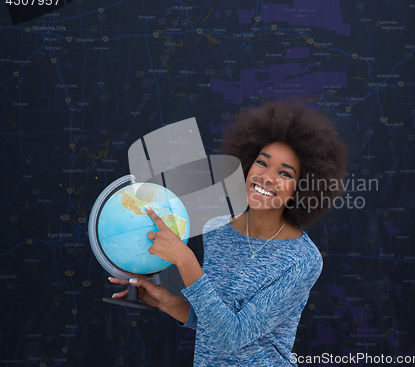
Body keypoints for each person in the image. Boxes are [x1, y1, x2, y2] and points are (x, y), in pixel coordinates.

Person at [109, 100, 348, 366]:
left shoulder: (303, 259)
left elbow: (233, 336)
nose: (267, 177)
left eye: (284, 173)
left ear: (301, 189)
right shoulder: (216, 228)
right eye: (261, 162)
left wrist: (185, 260)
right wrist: (166, 302)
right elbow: (214, 320)